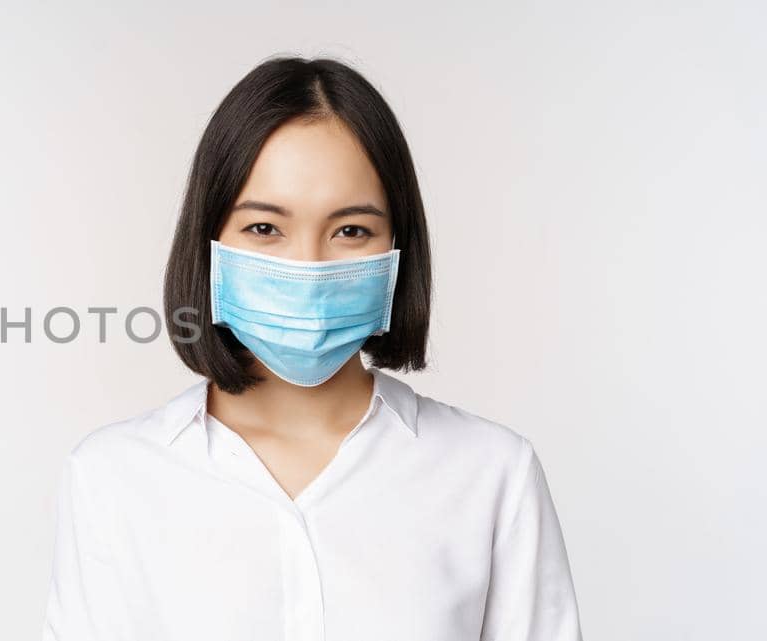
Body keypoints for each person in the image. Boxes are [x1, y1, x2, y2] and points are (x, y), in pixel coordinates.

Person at [41, 57, 582, 641]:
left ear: (398, 248)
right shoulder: (113, 477)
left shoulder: (491, 473)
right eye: (265, 229)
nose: (309, 267)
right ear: (210, 243)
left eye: (350, 230)